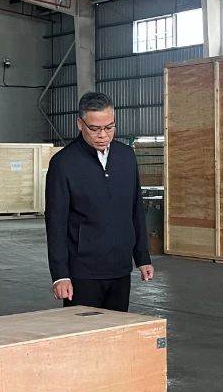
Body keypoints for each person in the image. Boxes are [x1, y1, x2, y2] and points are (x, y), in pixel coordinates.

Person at [44, 91, 154, 311]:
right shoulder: (63, 164)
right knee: (83, 332)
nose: (103, 135)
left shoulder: (126, 157)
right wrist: (60, 275)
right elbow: (56, 223)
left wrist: (142, 257)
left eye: (109, 127)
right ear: (80, 124)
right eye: (95, 129)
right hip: (83, 272)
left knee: (117, 328)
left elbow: (136, 210)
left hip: (120, 268)